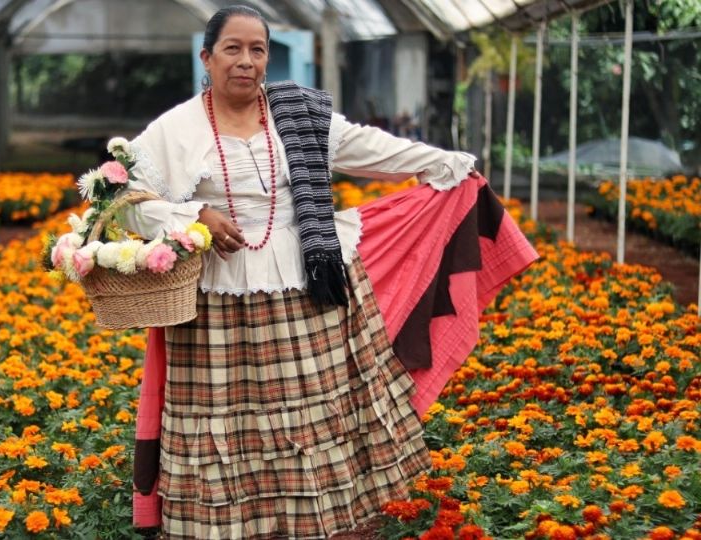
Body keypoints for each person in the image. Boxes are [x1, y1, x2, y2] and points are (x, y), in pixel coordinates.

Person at [121, 6, 538, 539]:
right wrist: (190, 216)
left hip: (304, 286)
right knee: (223, 422)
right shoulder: (176, 128)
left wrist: (442, 163)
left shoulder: (297, 113)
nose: (246, 61)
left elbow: (366, 146)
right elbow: (122, 197)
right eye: (233, 49)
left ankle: (314, 522)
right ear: (207, 58)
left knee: (312, 415)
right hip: (216, 303)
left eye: (257, 50)